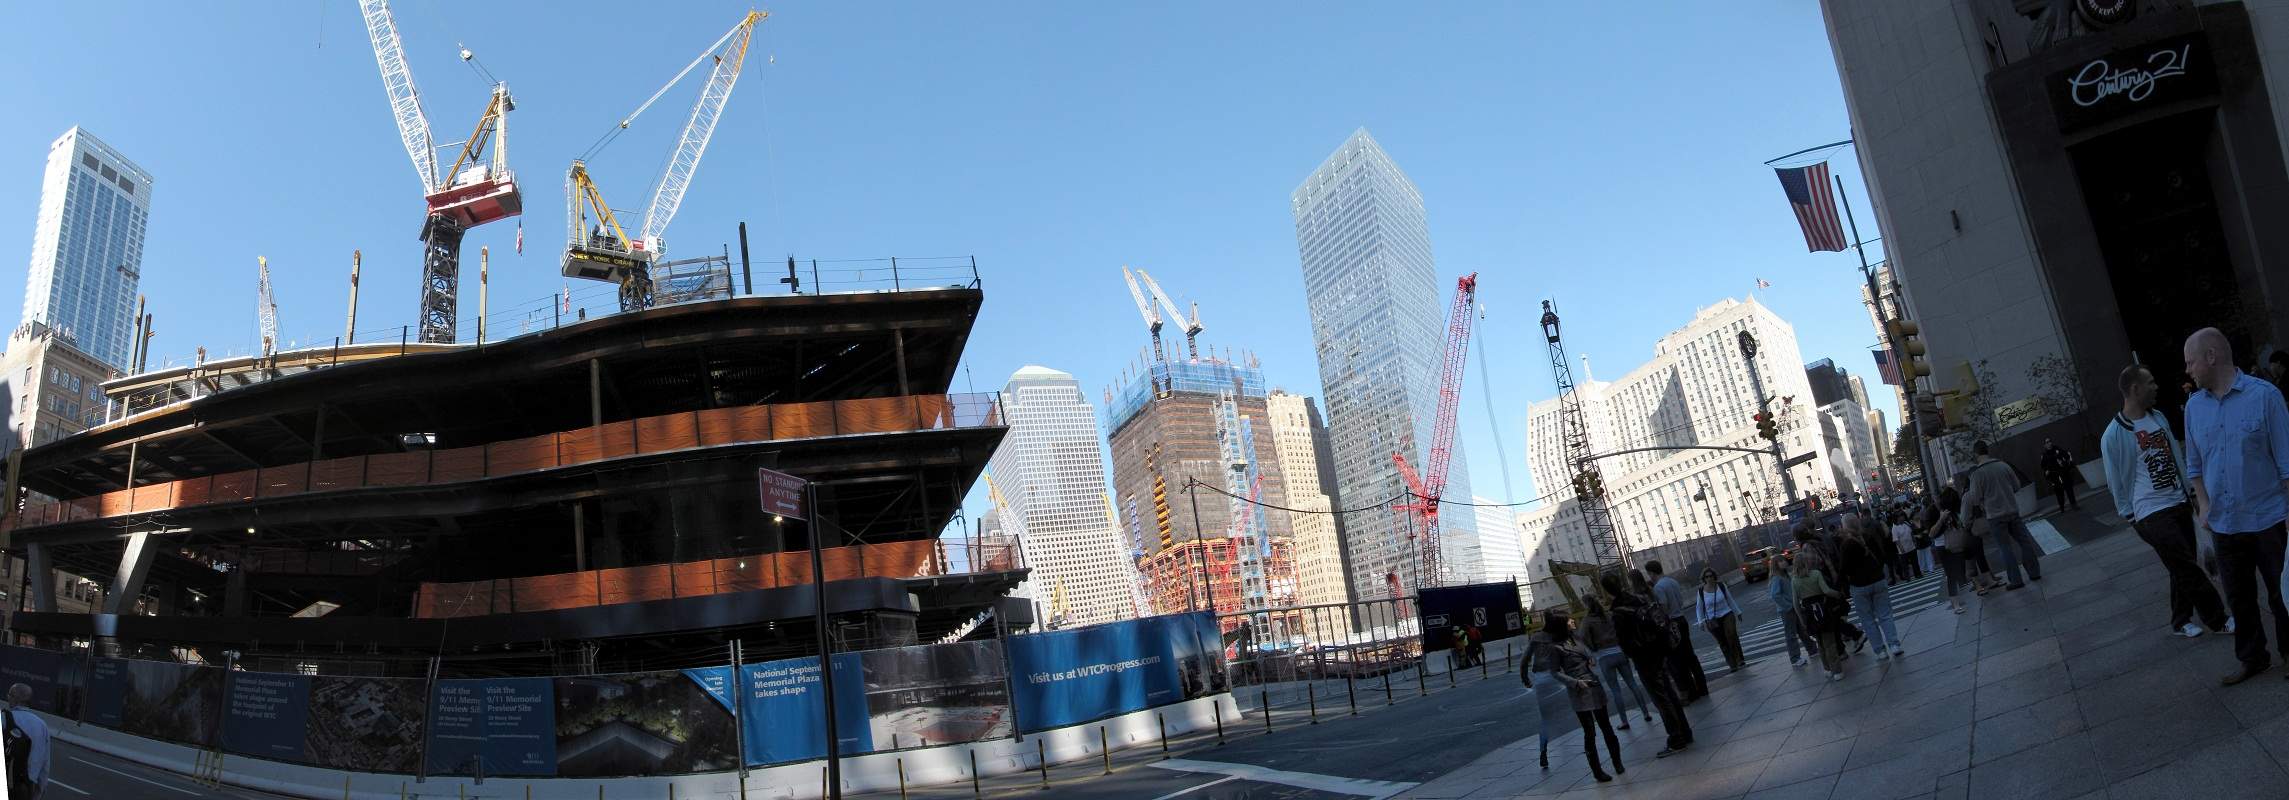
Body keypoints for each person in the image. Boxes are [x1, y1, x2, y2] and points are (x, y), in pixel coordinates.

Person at [2182, 328, 2289, 686]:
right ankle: (2252, 657)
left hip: (2269, 517)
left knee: (2282, 593)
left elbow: (2287, 464)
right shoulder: (2194, 407)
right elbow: (2194, 465)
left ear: (2211, 357)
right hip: (2225, 524)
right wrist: (2204, 506)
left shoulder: (2265, 396)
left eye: (2190, 361)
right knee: (2239, 598)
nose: (2188, 370)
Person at [2102, 363, 2231, 639]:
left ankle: (2180, 620)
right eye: (2150, 382)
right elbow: (2116, 482)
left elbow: (2175, 456)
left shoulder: (2157, 417)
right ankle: (2218, 619)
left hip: (2179, 502)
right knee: (2185, 565)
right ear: (2135, 389)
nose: (2156, 387)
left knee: (2178, 564)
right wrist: (2131, 516)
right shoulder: (2113, 435)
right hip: (2150, 512)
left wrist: (2192, 494)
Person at [1524, 611, 1625, 782]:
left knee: (1607, 727)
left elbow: (1588, 652)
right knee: (1590, 732)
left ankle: (1617, 762)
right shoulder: (1555, 647)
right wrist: (1574, 683)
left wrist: (1590, 659)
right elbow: (1555, 672)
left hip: (1593, 684)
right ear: (1562, 624)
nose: (1572, 620)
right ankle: (1597, 771)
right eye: (1568, 619)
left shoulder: (1577, 638)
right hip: (1579, 690)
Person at [1600, 571, 1693, 757]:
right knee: (1669, 692)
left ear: (1606, 590)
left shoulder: (1618, 611)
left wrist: (1632, 653)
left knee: (1660, 698)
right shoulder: (1638, 598)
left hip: (1644, 658)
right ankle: (1685, 732)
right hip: (1659, 650)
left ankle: (1676, 738)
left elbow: (1624, 641)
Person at [1961, 440, 2044, 588]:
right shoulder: (2003, 465)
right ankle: (2034, 572)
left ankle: (2016, 580)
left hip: (1994, 516)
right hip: (2012, 510)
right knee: (2024, 542)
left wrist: (1985, 501)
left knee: (2005, 548)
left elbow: (1974, 499)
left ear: (1976, 454)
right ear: (1987, 450)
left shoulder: (1977, 474)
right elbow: (2017, 486)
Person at [1577, 597, 1653, 731]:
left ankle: (1624, 721)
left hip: (1604, 656)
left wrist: (1592, 647)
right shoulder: (1609, 615)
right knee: (1633, 684)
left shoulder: (1587, 620)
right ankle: (1646, 713)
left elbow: (1582, 637)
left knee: (1615, 690)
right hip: (1619, 651)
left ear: (1586, 605)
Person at [1839, 515, 1905, 659]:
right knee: (1885, 615)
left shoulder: (1846, 544)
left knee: (1867, 620)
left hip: (1859, 585)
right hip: (1877, 579)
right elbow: (1881, 555)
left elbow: (1844, 568)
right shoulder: (1868, 537)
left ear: (1845, 526)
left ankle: (1880, 650)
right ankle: (1894, 645)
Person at [1643, 560, 1709, 701]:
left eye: (1649, 573)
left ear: (1652, 572)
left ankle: (1691, 692)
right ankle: (1703, 688)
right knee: (1690, 656)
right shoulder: (1672, 582)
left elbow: (1664, 607)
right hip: (1682, 619)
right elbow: (1680, 601)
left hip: (1672, 623)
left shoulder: (1658, 588)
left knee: (1679, 660)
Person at [1520, 613, 1577, 770]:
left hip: (1541, 679)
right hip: (1558, 677)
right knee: (1576, 708)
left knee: (1546, 718)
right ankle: (1587, 743)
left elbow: (1524, 660)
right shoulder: (1558, 637)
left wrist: (1525, 678)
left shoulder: (1536, 637)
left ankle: (1543, 751)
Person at [1792, 552, 1850, 681]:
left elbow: (1796, 603)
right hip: (1822, 610)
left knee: (1820, 643)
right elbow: (1826, 591)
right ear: (1807, 562)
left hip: (1809, 613)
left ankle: (1827, 669)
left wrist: (1802, 620)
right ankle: (1837, 671)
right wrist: (1838, 594)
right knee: (1830, 642)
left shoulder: (1795, 580)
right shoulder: (1816, 574)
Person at [1927, 487, 1972, 615]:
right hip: (1942, 546)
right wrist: (1941, 519)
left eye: (1938, 498)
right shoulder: (1932, 512)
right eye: (1935, 498)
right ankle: (1955, 603)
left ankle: (1965, 587)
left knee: (1960, 570)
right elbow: (1931, 533)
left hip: (1956, 543)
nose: (1937, 501)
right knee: (1951, 575)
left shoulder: (1952, 509)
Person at [1694, 568, 1747, 672]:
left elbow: (1730, 599)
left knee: (1731, 635)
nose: (1709, 578)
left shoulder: (1721, 586)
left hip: (1727, 614)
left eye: (1711, 576)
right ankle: (1732, 664)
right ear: (1704, 579)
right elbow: (1699, 607)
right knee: (1722, 642)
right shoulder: (1701, 591)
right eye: (1707, 577)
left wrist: (1738, 612)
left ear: (1714, 576)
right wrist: (1701, 621)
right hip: (1712, 620)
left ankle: (1739, 659)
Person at [1768, 554, 1817, 666]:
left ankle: (1812, 649)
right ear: (1776, 564)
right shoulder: (1776, 578)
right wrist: (1789, 606)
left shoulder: (1785, 576)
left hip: (1793, 607)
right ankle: (1795, 658)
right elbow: (1775, 595)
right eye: (1781, 561)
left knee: (1802, 630)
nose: (1784, 562)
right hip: (1787, 610)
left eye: (1784, 560)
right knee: (1791, 634)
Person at [3, 683, 50, 800]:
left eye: (9, 695)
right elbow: (45, 763)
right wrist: (39, 791)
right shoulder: (42, 726)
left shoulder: (3, 718)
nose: (7, 697)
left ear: (14, 698)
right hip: (26, 787)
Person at [2042, 439, 2081, 513]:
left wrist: (2063, 462)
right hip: (2054, 475)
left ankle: (2073, 504)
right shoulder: (2045, 455)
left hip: (2063, 472)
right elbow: (2043, 466)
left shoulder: (2057, 449)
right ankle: (2062, 507)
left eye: (2050, 441)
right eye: (2047, 442)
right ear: (2044, 445)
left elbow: (2066, 455)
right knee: (2059, 492)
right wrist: (2047, 473)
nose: (2049, 443)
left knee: (2069, 489)